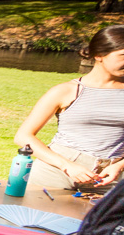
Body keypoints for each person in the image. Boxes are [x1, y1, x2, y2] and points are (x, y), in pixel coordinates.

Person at [14, 26, 124, 193]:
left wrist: (120, 166)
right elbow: (23, 136)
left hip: (110, 178)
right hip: (55, 172)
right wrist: (67, 165)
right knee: (35, 219)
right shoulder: (66, 90)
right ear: (99, 55)